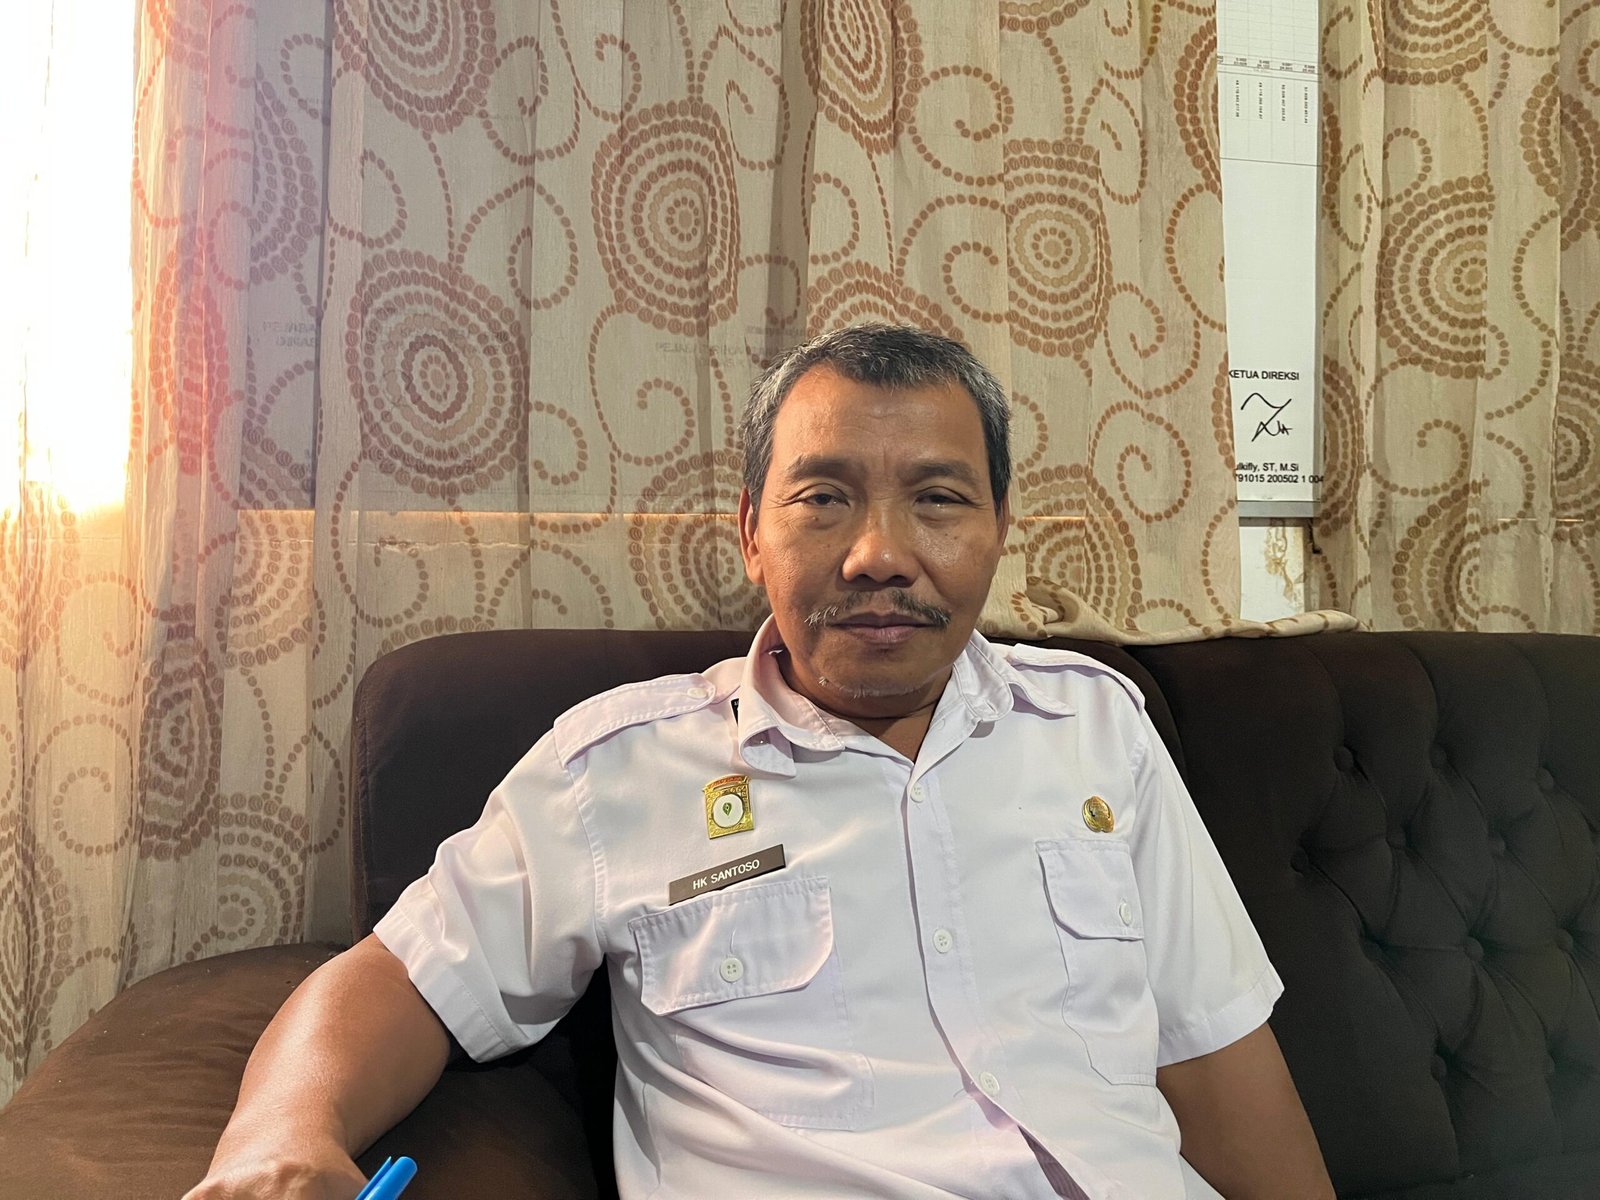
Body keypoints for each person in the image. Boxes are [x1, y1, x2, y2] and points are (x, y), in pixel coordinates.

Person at [186, 324, 1335, 1199]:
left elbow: (1215, 1057)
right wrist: (279, 1135)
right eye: (824, 498)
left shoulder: (1097, 728)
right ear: (751, 532)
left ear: (998, 527)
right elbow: (401, 979)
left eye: (938, 500)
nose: (879, 554)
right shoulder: (617, 771)